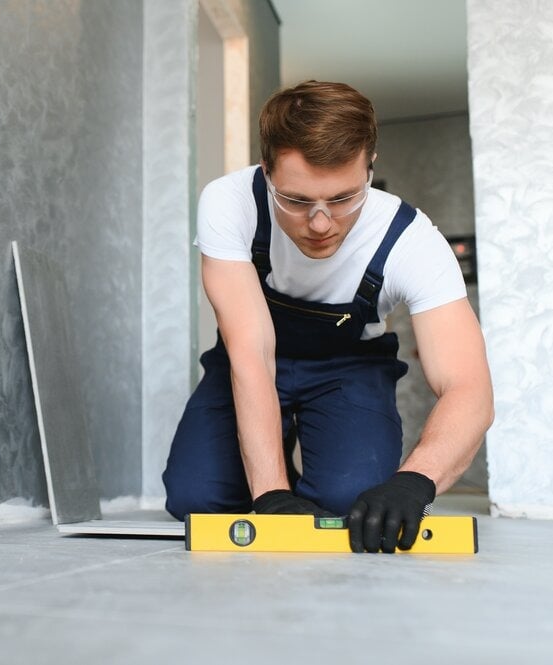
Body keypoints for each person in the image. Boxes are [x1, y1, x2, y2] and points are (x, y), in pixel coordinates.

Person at [162, 80, 494, 553]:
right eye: (296, 201)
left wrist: (416, 481)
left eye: (342, 199)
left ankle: (306, 480)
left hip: (349, 369)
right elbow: (252, 354)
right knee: (196, 498)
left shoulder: (411, 241)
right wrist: (272, 496)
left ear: (370, 166)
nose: (320, 223)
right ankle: (284, 481)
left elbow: (469, 387)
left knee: (351, 501)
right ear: (266, 170)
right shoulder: (229, 203)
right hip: (253, 358)